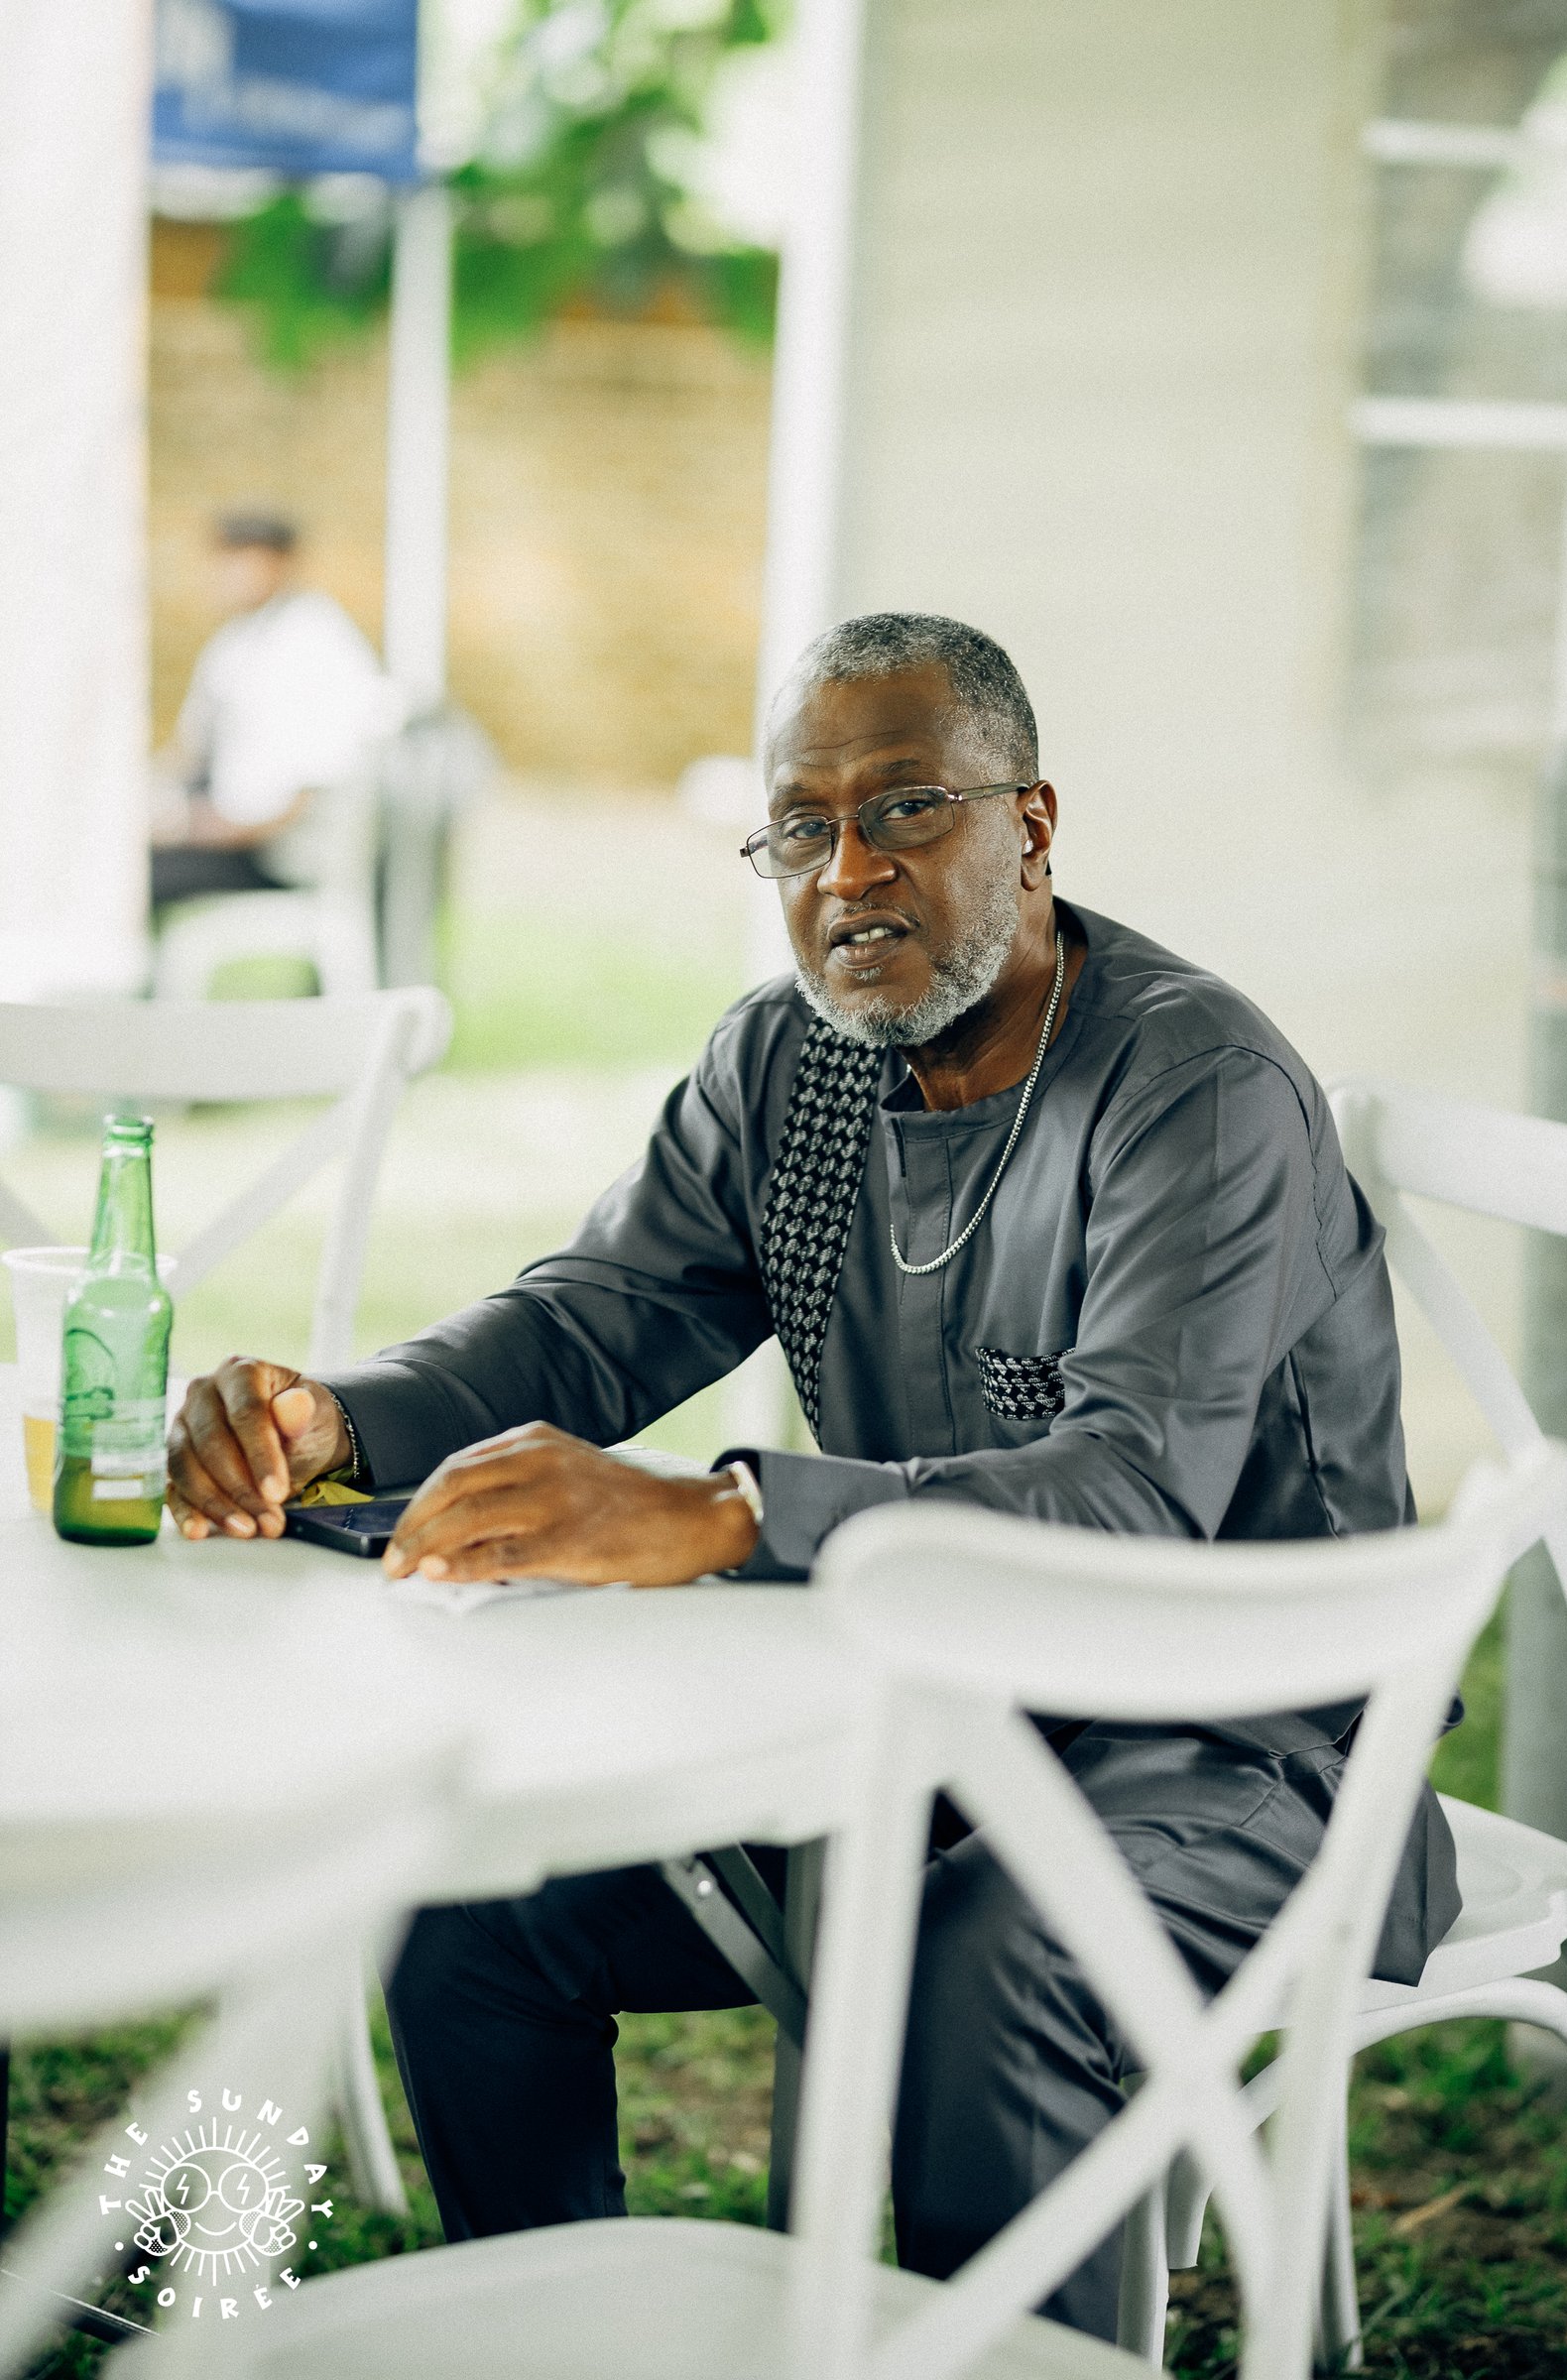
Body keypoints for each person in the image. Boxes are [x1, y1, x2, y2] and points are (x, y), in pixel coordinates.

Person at [165, 614, 1459, 2339]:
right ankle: (545, 2348)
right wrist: (338, 1417)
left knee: (977, 1956)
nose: (849, 872)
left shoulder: (1192, 1088)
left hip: (1254, 1746)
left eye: (908, 808)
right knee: (478, 1891)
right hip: (923, 1714)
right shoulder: (797, 1061)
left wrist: (729, 1517)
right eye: (800, 828)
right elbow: (598, 1316)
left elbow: (1135, 1493)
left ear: (1033, 826)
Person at [150, 510, 402, 907]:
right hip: (226, 830)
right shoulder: (236, 642)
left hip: (279, 857)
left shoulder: (317, 643)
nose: (231, 575)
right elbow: (190, 751)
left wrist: (204, 830)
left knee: (129, 879)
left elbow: (313, 788)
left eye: (246, 561)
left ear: (281, 563)